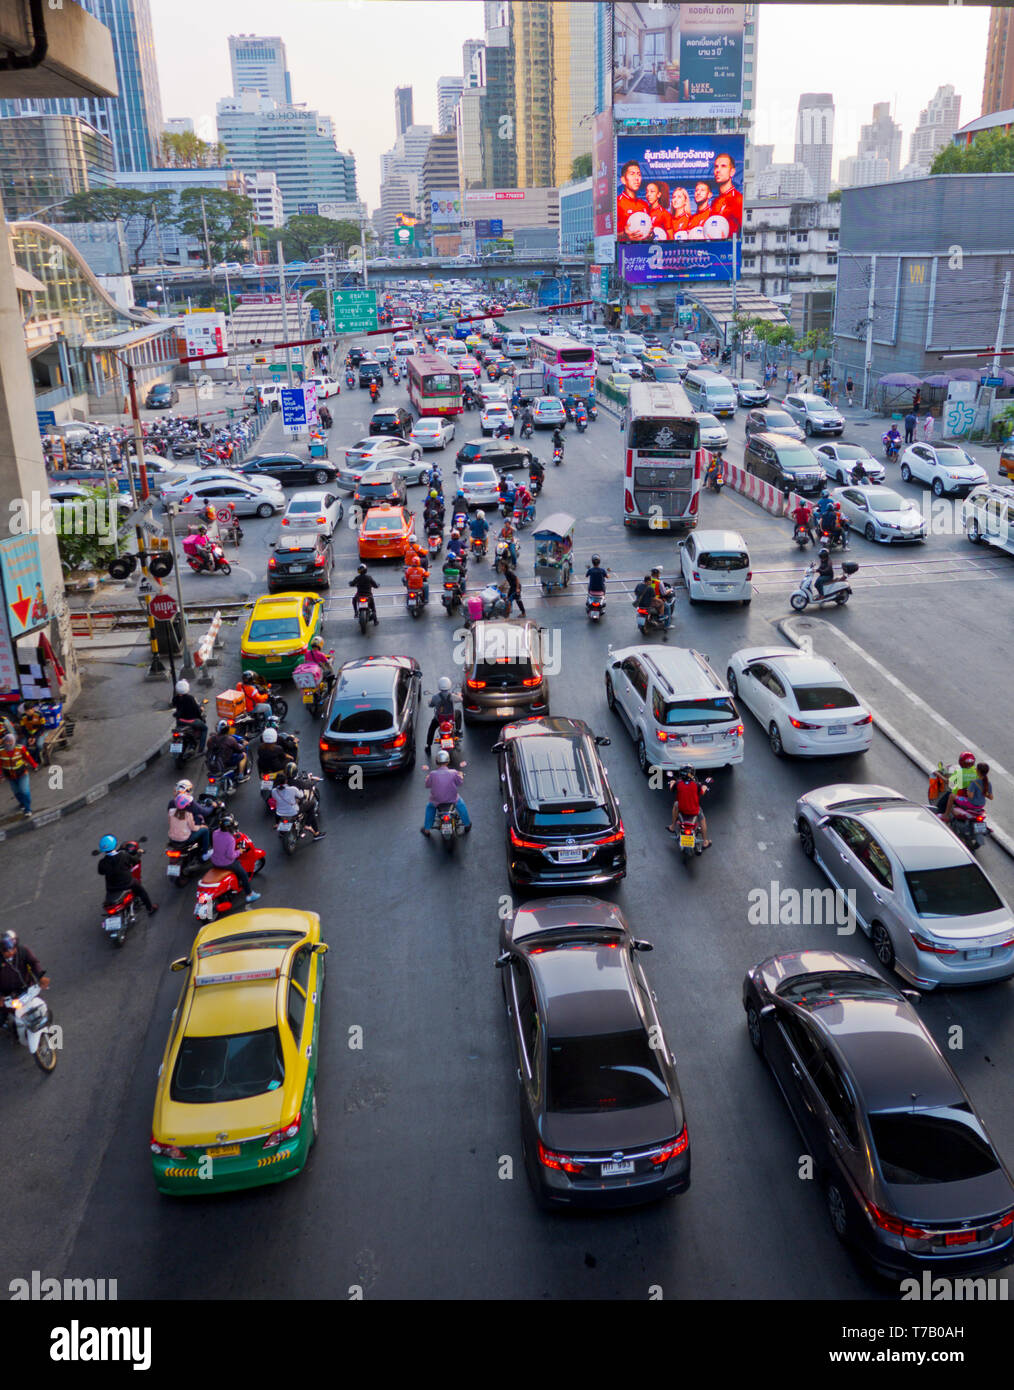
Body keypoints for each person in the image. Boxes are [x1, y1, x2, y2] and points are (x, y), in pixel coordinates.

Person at [97, 834, 157, 914]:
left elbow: (101, 872)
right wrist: (139, 853)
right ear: (114, 844)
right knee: (141, 890)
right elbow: (135, 860)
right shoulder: (123, 855)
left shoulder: (102, 862)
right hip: (127, 884)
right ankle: (150, 908)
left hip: (111, 887)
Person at [0, 930, 49, 1028]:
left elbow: (34, 963)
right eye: (7, 950)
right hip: (8, 996)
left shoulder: (23, 951)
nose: (11, 952)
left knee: (42, 1009)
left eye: (13, 949)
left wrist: (40, 977)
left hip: (28, 988)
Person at [210, 815, 261, 899]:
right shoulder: (230, 839)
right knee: (244, 874)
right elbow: (230, 856)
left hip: (215, 861)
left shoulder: (215, 833)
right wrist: (239, 851)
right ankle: (249, 894)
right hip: (226, 863)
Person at [421, 749, 471, 835]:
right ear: (448, 761)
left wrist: (428, 778)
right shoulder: (454, 772)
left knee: (430, 807)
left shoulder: (432, 774)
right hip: (452, 799)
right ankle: (467, 825)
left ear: (437, 762)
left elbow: (427, 785)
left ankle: (427, 829)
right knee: (461, 804)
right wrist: (461, 775)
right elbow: (460, 783)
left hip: (436, 800)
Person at [272, 769, 325, 840]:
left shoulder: (274, 791)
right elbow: (301, 796)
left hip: (280, 813)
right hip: (293, 812)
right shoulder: (292, 789)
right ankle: (310, 827)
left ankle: (279, 828)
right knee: (311, 804)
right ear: (285, 781)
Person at [667, 767, 711, 848]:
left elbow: (671, 788)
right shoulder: (697, 785)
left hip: (682, 809)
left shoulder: (678, 784)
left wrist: (671, 779)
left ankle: (672, 826)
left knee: (676, 804)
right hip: (695, 811)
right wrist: (706, 783)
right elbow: (702, 792)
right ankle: (705, 841)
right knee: (702, 819)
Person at [1, 733, 36, 816]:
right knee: (16, 792)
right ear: (4, 742)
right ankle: (22, 803)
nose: (9, 743)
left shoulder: (20, 748)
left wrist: (34, 765)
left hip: (22, 774)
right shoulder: (1, 751)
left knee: (24, 791)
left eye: (10, 741)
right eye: (7, 741)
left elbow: (28, 757)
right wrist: (1, 775)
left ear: (14, 741)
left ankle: (28, 809)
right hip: (10, 776)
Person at [168, 794, 213, 859]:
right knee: (205, 830)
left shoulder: (171, 811)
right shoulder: (188, 814)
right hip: (185, 839)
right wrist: (201, 826)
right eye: (188, 803)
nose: (189, 804)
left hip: (172, 838)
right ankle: (205, 853)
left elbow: (170, 823)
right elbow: (193, 828)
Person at [425, 676, 460, 755]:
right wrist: (459, 695)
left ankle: (428, 745)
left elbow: (430, 705)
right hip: (451, 719)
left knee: (431, 728)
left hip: (439, 720)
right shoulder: (452, 696)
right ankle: (458, 730)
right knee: (459, 713)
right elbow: (461, 699)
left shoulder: (435, 697)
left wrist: (430, 701)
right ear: (449, 685)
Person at [710, 152, 743, 235]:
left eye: (723, 166)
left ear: (732, 172)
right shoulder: (714, 202)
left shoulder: (738, 199)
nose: (718, 170)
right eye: (716, 167)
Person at [171, 679, 207, 752]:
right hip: (191, 721)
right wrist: (201, 710)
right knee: (205, 728)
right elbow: (196, 710)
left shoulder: (175, 698)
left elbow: (175, 705)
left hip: (180, 721)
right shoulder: (190, 698)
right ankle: (201, 749)